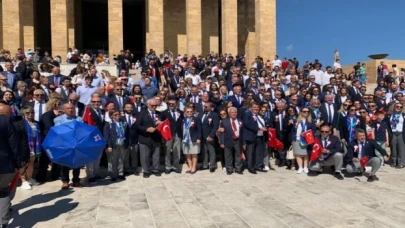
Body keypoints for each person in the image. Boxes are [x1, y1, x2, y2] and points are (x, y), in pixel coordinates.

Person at [0, 103, 28, 227]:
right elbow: (14, 144)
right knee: (3, 192)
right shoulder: (7, 121)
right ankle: (3, 222)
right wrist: (19, 163)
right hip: (5, 164)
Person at [54, 103, 83, 189]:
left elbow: (80, 131)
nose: (70, 110)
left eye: (72, 108)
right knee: (64, 163)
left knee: (77, 163)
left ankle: (76, 180)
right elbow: (59, 131)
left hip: (76, 143)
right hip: (64, 144)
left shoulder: (79, 119)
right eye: (68, 108)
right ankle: (65, 181)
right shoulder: (58, 119)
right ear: (64, 110)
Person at [134, 98, 164, 178]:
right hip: (145, 137)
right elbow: (137, 126)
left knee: (156, 155)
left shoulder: (160, 114)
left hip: (156, 137)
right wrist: (146, 129)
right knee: (145, 156)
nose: (154, 107)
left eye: (155, 105)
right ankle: (146, 171)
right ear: (148, 105)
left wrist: (161, 123)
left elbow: (165, 125)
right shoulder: (141, 114)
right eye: (152, 105)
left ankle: (156, 169)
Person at [20, 106, 42, 190]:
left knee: (31, 163)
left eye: (32, 113)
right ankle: (23, 181)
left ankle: (29, 178)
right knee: (23, 164)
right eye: (27, 113)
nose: (30, 114)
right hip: (25, 145)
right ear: (23, 114)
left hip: (35, 145)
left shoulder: (36, 123)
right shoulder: (21, 123)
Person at [291, 107, 316, 174]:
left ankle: (305, 167)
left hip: (306, 139)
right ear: (301, 112)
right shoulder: (296, 121)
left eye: (307, 111)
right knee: (298, 154)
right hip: (297, 139)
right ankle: (300, 167)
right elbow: (293, 130)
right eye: (304, 111)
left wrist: (306, 134)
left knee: (305, 154)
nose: (306, 113)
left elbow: (314, 130)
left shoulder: (311, 121)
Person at [161, 98, 183, 174]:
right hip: (168, 134)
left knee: (177, 150)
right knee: (167, 150)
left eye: (172, 104)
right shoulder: (164, 113)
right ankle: (168, 166)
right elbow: (161, 123)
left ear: (176, 104)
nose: (171, 105)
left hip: (178, 133)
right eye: (169, 104)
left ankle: (176, 166)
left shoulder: (180, 112)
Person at [219, 107, 244, 175]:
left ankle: (238, 168)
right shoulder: (224, 121)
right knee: (228, 155)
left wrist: (244, 143)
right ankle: (229, 169)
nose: (234, 114)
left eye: (235, 112)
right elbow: (222, 133)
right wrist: (222, 142)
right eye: (232, 112)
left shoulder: (240, 121)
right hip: (228, 140)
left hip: (238, 140)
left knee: (238, 155)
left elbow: (242, 132)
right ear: (229, 113)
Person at [104, 110, 127, 181]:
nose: (117, 116)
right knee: (112, 160)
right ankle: (113, 174)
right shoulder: (109, 124)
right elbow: (106, 136)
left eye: (118, 114)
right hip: (113, 145)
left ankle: (120, 173)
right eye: (115, 114)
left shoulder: (123, 122)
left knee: (121, 159)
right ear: (111, 116)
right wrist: (109, 146)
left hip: (122, 143)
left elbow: (127, 133)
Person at [198, 102, 220, 172]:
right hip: (202, 136)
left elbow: (215, 126)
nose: (205, 107)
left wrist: (211, 135)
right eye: (204, 106)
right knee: (204, 151)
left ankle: (212, 165)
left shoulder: (215, 115)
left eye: (206, 106)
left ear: (211, 108)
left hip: (209, 136)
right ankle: (205, 165)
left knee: (211, 151)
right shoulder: (200, 114)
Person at [182, 107, 201, 174]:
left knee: (194, 153)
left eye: (191, 111)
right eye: (187, 111)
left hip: (194, 139)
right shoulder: (183, 120)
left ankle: (194, 167)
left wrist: (199, 138)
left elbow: (199, 129)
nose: (189, 113)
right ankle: (190, 167)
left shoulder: (196, 119)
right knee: (187, 154)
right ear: (185, 112)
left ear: (193, 112)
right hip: (185, 139)